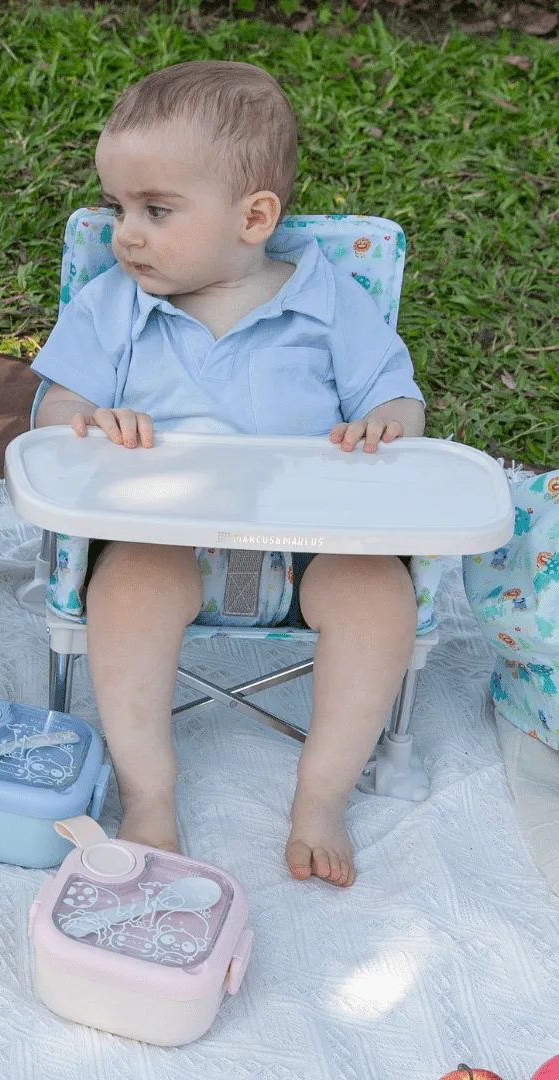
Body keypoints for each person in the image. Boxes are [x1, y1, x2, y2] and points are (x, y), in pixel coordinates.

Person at [32, 60, 425, 886]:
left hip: (312, 542)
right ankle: (150, 792)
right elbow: (51, 417)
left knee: (381, 598)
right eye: (117, 209)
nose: (126, 233)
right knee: (128, 593)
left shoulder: (327, 300)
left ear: (254, 217)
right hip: (163, 539)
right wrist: (93, 424)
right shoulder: (114, 304)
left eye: (156, 210)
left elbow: (397, 399)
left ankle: (321, 794)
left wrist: (383, 427)